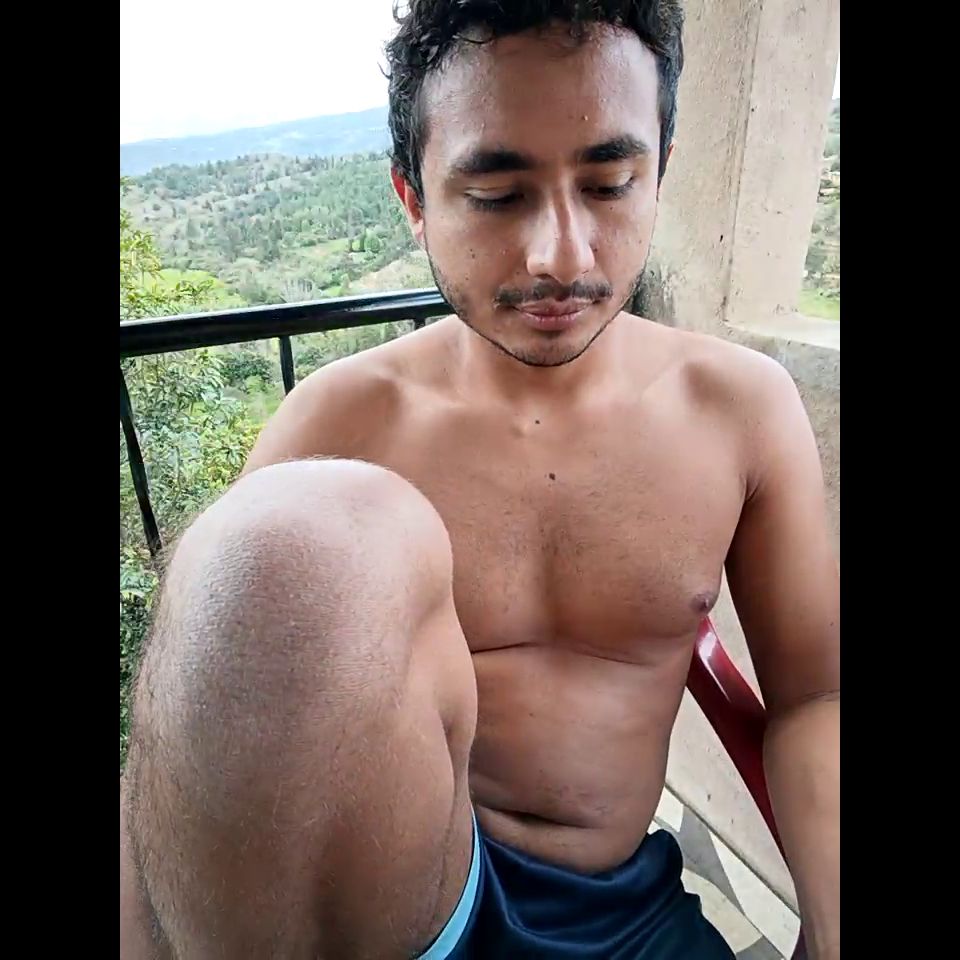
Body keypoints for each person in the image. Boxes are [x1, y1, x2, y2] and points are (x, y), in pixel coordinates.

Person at [120, 2, 840, 957]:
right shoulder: (341, 423)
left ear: (660, 173)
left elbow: (815, 698)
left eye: (610, 184)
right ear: (413, 197)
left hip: (626, 911)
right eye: (498, 196)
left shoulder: (740, 408)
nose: (561, 256)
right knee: (284, 540)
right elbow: (197, 735)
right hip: (414, 907)